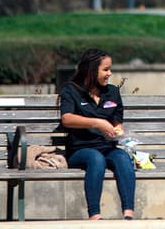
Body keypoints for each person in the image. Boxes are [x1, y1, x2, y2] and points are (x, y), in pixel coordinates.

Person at [58, 48, 135, 221]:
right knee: (95, 158)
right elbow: (67, 119)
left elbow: (117, 121)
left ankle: (129, 214)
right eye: (105, 69)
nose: (110, 73)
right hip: (80, 149)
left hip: (107, 147)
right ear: (92, 70)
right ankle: (95, 215)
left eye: (110, 69)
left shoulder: (112, 92)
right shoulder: (71, 90)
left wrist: (118, 131)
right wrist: (97, 122)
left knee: (122, 157)